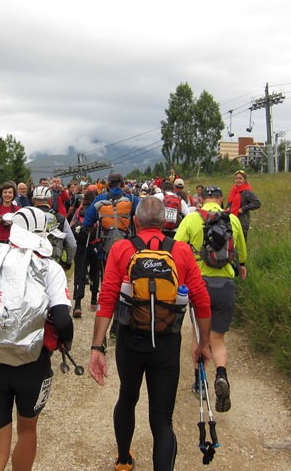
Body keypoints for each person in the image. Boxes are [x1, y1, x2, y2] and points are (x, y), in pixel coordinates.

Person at [89, 196, 212, 471]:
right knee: (162, 420)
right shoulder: (181, 251)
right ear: (166, 221)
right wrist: (204, 344)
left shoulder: (121, 249)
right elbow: (202, 301)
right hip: (167, 343)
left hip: (130, 341)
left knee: (127, 397)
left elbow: (107, 298)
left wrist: (98, 348)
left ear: (135, 221)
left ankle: (123, 459)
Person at [0, 207, 74, 471]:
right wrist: (66, 342)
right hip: (33, 364)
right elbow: (62, 319)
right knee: (27, 431)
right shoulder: (50, 268)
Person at [175, 185, 247, 412]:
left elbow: (176, 247)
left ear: (201, 199)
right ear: (221, 198)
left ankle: (200, 381)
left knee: (200, 334)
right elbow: (242, 252)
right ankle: (221, 374)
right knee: (218, 338)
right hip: (225, 282)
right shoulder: (232, 220)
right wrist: (242, 266)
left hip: (199, 283)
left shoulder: (192, 218)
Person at [70, 189, 102, 317]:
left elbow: (72, 224)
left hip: (80, 245)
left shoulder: (79, 210)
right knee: (95, 272)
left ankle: (77, 305)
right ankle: (94, 300)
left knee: (80, 273)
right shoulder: (99, 210)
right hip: (94, 245)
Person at [32, 186, 76, 269]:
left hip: (31, 262)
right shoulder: (60, 218)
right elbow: (72, 244)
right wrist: (68, 262)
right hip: (53, 263)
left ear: (33, 200)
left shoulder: (27, 216)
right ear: (50, 200)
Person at [226, 170, 261, 239]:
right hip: (232, 220)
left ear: (244, 180)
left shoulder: (247, 191)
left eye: (240, 178)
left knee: (242, 244)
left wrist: (243, 209)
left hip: (242, 222)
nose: (238, 180)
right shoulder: (234, 190)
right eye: (237, 178)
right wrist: (228, 207)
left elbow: (257, 203)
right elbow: (230, 201)